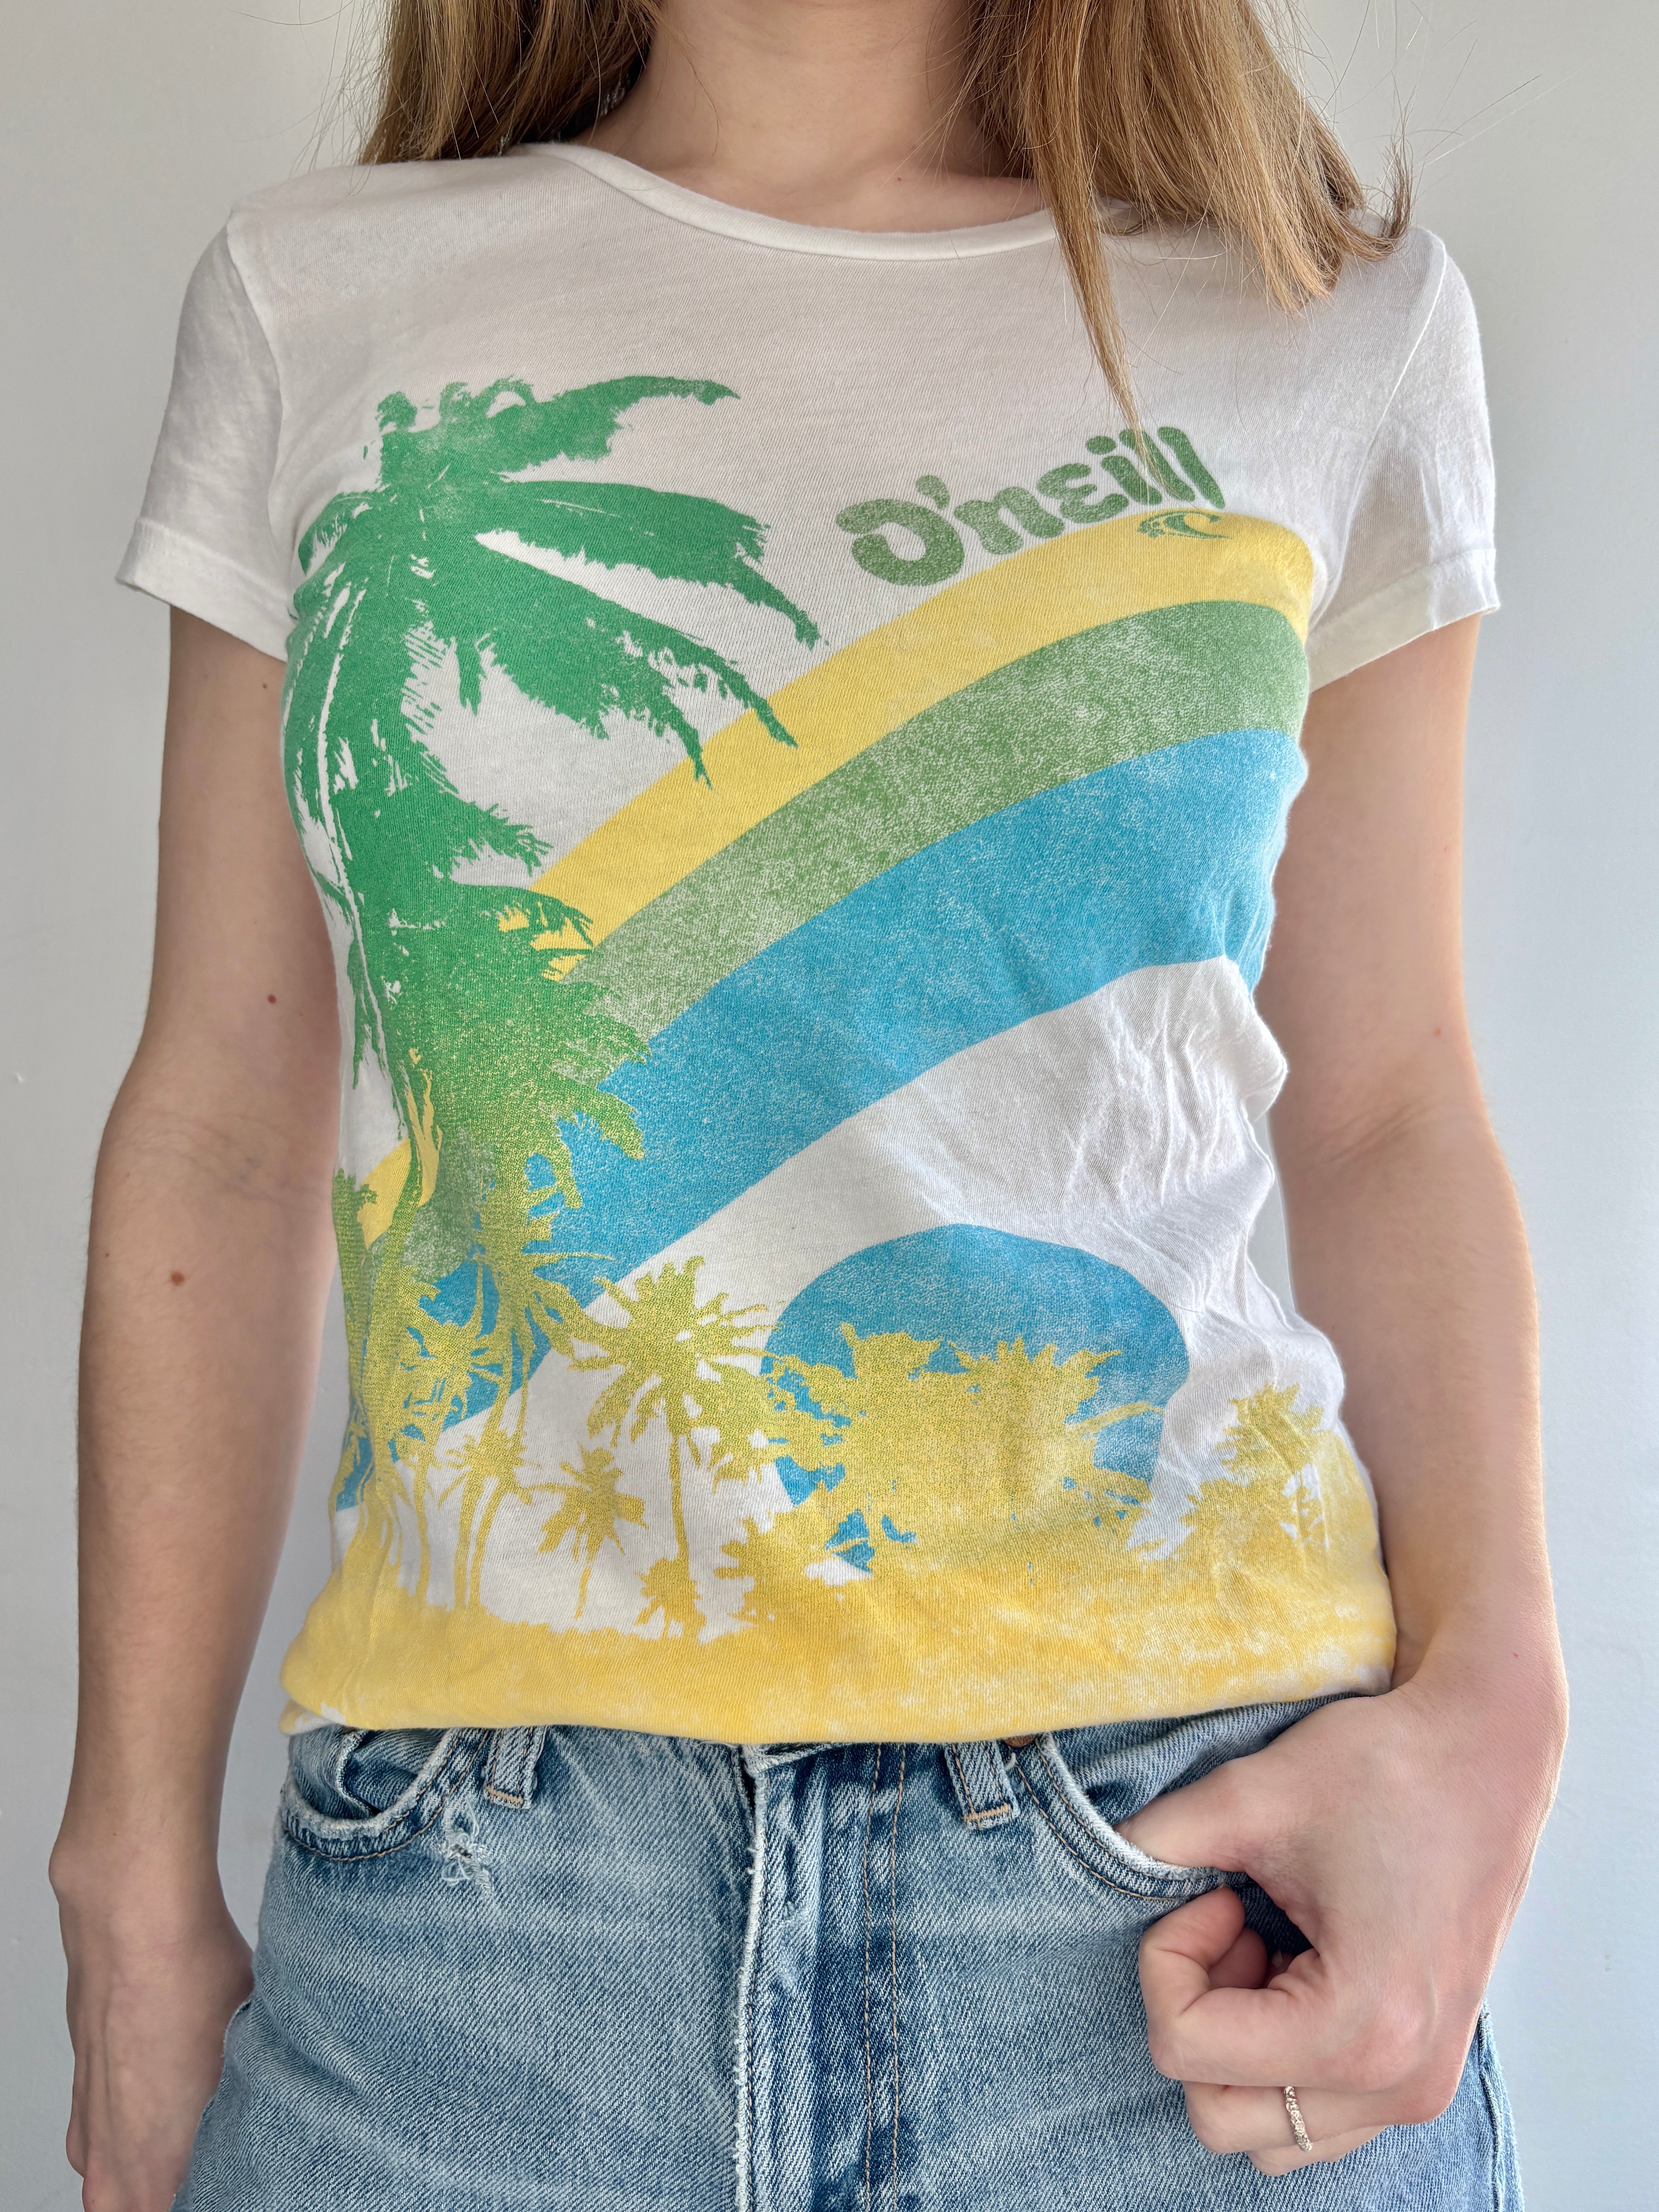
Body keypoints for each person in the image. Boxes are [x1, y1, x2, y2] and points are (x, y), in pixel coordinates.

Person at [50, 1, 1567, 2206]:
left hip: (1190, 1912)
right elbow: (222, 1119)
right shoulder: (325, 302)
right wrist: (124, 1870)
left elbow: (1390, 1105)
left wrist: (1499, 1716)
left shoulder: (1323, 318)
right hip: (469, 1932)